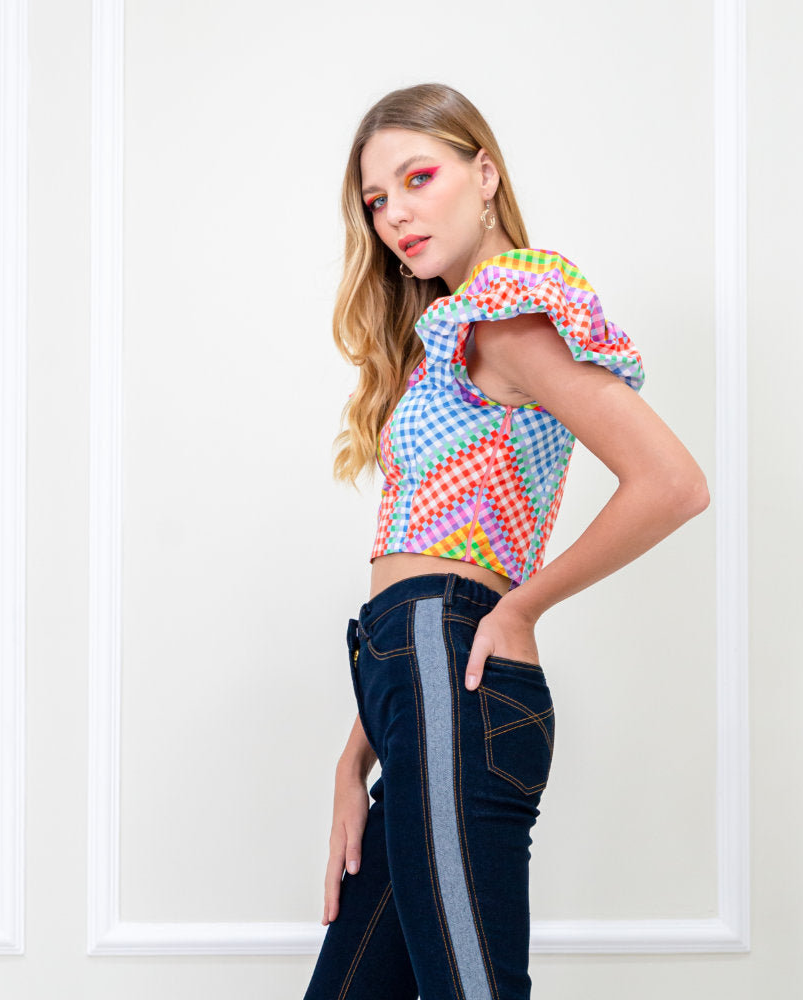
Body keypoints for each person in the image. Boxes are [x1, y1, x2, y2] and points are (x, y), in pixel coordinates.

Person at [303, 83, 709, 1000]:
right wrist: (354, 757)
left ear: (484, 174)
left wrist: (524, 607)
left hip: (450, 671)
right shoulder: (447, 338)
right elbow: (428, 568)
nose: (395, 214)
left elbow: (672, 483)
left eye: (419, 178)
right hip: (409, 688)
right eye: (377, 200)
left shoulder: (509, 319)